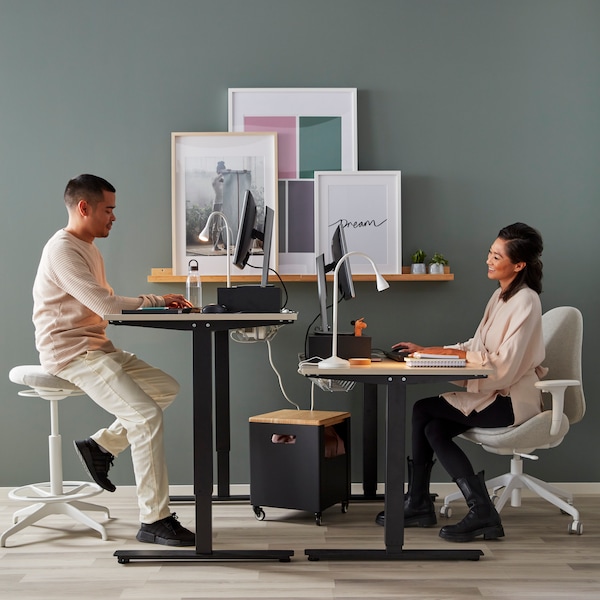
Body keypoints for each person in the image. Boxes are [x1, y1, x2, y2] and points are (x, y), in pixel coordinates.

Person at [32, 174, 195, 546]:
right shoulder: (62, 249)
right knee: (145, 416)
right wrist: (154, 301)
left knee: (165, 388)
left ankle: (101, 445)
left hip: (96, 346)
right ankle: (155, 519)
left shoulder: (88, 247)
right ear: (84, 207)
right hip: (72, 353)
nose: (114, 217)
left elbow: (99, 305)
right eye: (109, 210)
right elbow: (105, 305)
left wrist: (158, 303)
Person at [376, 222, 546, 543]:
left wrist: (448, 363)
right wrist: (428, 351)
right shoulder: (500, 296)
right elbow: (475, 346)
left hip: (511, 401)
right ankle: (449, 505)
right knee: (431, 424)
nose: (488, 260)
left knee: (425, 413)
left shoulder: (526, 302)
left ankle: (423, 502)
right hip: (494, 394)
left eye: (497, 256)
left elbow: (504, 369)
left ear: (519, 264)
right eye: (490, 253)